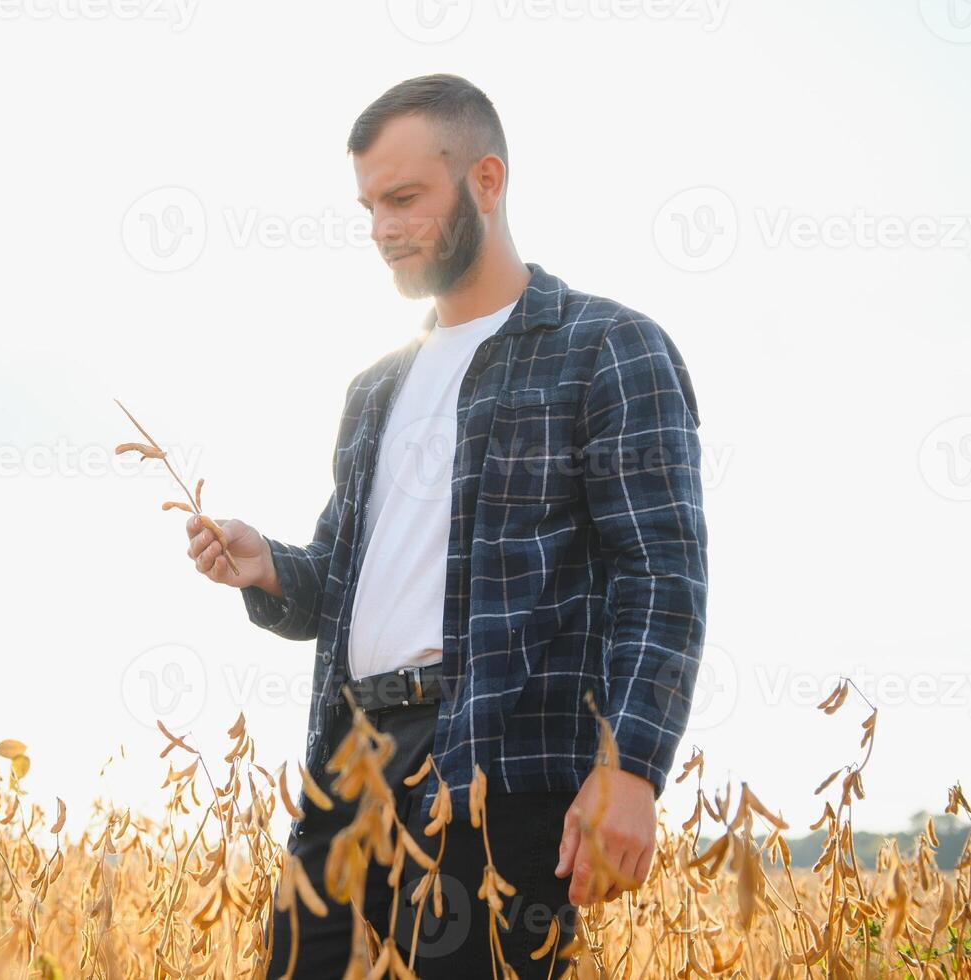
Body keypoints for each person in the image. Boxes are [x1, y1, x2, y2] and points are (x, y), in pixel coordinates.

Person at [184, 73, 707, 978]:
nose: (382, 229)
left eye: (403, 199)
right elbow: (342, 585)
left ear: (486, 182)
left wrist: (632, 769)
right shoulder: (376, 387)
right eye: (368, 207)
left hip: (499, 771)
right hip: (349, 768)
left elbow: (661, 576)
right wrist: (269, 566)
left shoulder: (607, 349)